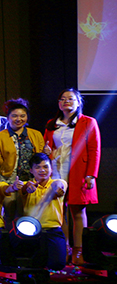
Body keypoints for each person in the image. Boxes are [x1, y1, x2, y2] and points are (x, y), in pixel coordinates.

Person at [43, 88, 100, 265]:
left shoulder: (88, 122)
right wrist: (47, 152)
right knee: (59, 213)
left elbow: (94, 149)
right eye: (62, 99)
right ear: (59, 103)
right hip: (56, 172)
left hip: (78, 173)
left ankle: (79, 251)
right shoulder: (52, 124)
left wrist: (91, 175)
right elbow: (47, 148)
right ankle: (63, 249)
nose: (66, 101)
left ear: (78, 102)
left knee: (78, 212)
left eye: (70, 99)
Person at [13, 153, 68, 270]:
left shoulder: (59, 182)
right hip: (31, 232)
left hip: (53, 230)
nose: (42, 170)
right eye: (38, 167)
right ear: (31, 170)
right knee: (29, 263)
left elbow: (59, 185)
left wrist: (56, 188)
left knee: (57, 264)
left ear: (51, 169)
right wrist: (27, 187)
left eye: (45, 167)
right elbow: (24, 189)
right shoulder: (27, 185)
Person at [0, 99, 45, 184]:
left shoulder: (36, 134)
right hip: (8, 180)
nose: (18, 119)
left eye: (22, 116)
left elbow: (40, 158)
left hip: (31, 180)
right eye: (14, 116)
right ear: (8, 118)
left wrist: (46, 153)